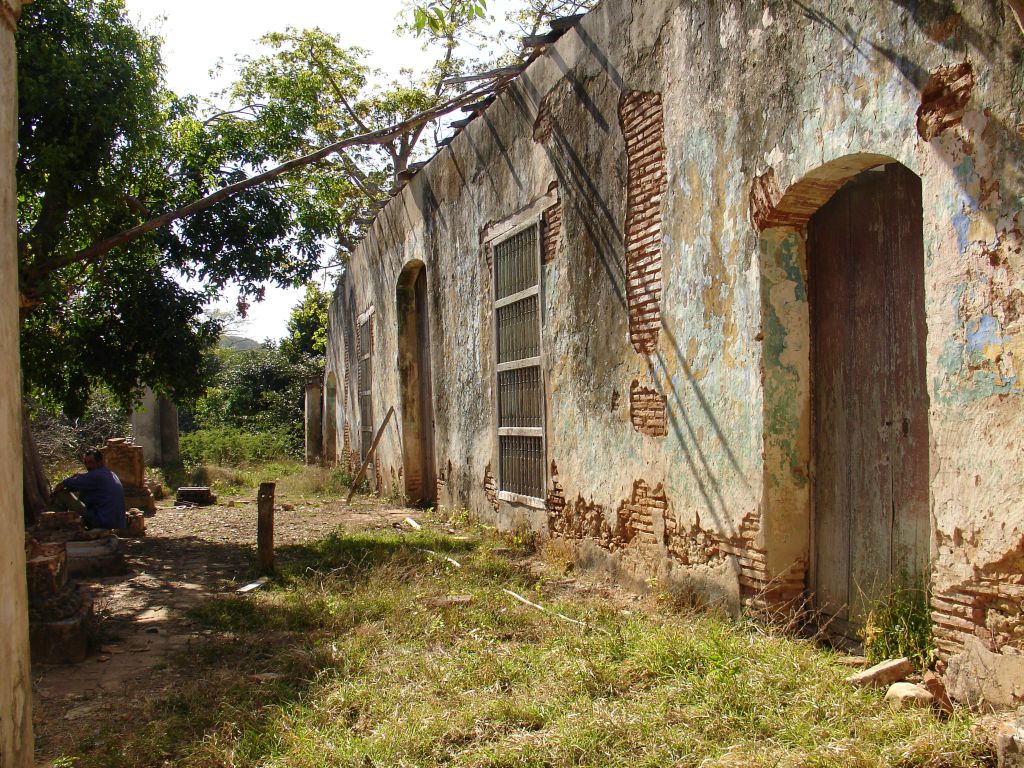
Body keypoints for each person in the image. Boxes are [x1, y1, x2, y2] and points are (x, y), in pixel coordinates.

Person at [57, 449, 127, 529]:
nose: (88, 466)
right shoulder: (108, 473)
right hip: (114, 522)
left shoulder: (97, 475)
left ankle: (54, 524)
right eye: (86, 463)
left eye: (91, 462)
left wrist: (59, 487)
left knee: (61, 494)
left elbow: (68, 483)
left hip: (101, 521)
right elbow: (78, 482)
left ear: (100, 462)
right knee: (83, 491)